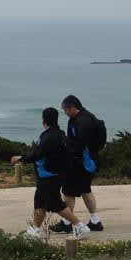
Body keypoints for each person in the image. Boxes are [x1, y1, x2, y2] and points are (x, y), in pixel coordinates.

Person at [10, 108, 90, 240]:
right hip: (54, 174)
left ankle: (79, 226)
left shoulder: (48, 137)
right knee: (39, 203)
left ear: (44, 120)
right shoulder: (60, 134)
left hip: (48, 176)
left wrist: (20, 158)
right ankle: (34, 230)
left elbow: (37, 154)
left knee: (55, 204)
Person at [51, 95, 105, 233]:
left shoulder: (81, 122)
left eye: (65, 109)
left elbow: (79, 145)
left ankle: (67, 222)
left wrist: (66, 152)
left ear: (72, 107)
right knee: (86, 190)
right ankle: (95, 221)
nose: (65, 112)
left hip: (81, 163)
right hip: (90, 162)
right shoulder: (87, 117)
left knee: (68, 192)